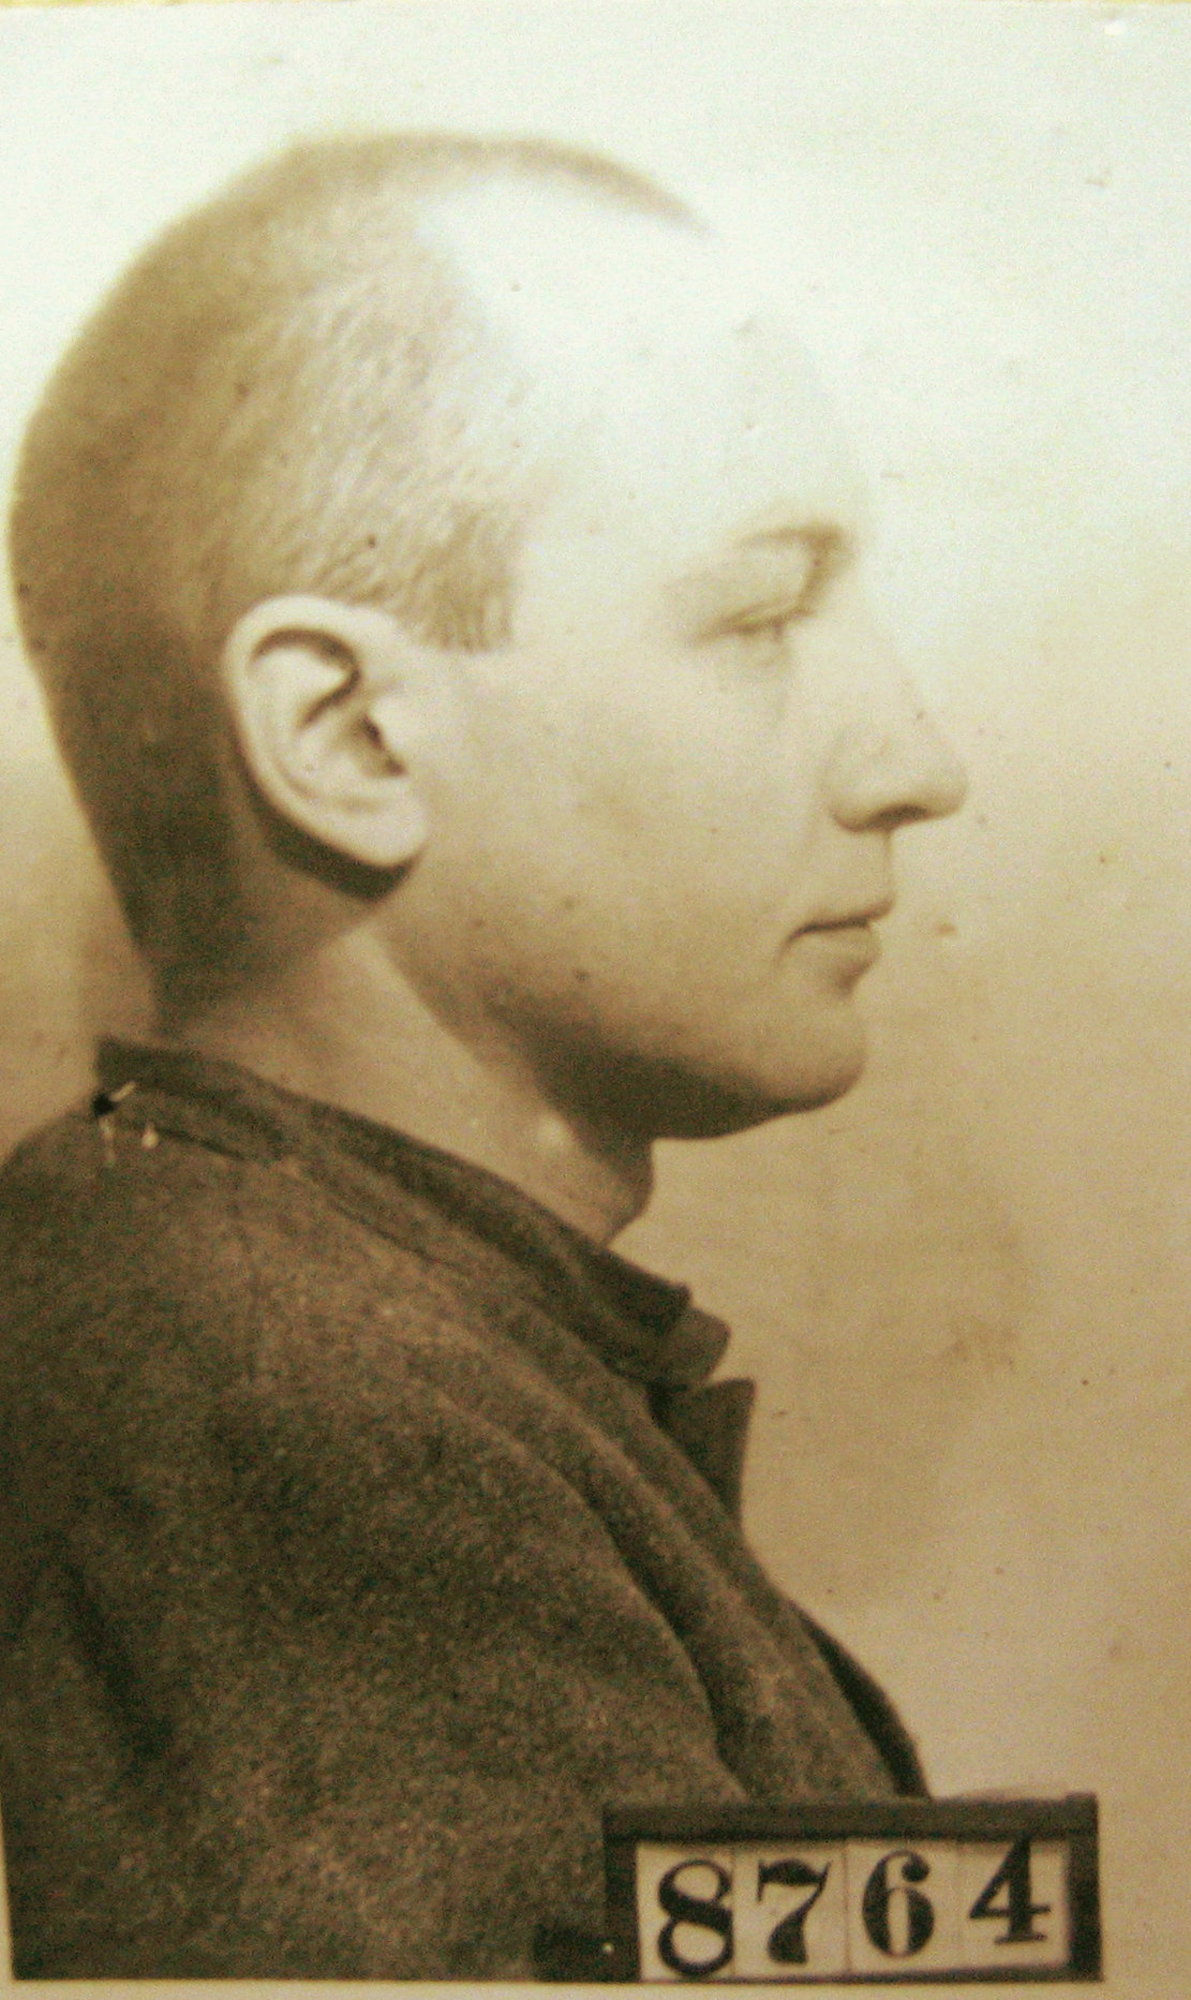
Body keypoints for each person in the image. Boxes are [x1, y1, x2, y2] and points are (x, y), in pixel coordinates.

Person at [0, 133, 967, 1978]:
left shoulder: (334, 1333)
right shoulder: (313, 1429)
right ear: (349, 736)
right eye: (763, 615)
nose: (918, 761)